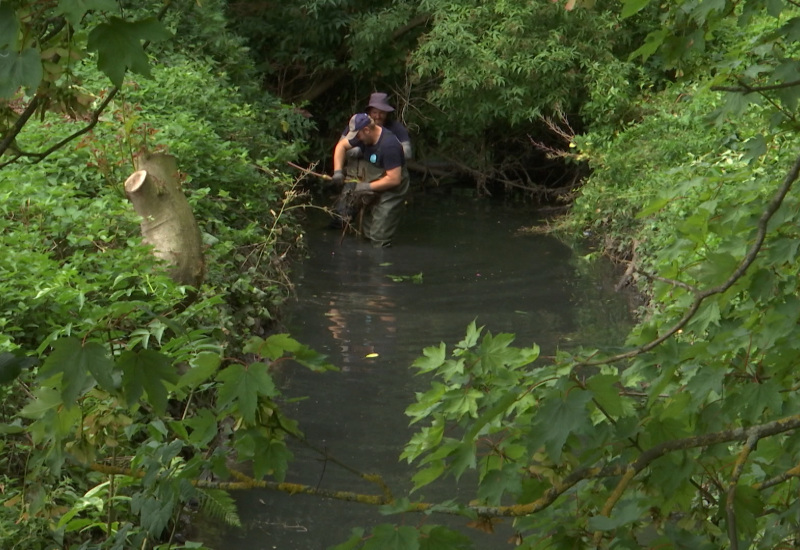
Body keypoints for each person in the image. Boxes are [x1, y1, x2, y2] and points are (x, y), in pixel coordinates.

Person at [330, 113, 410, 247]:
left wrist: (367, 187)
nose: (356, 139)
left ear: (366, 130)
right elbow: (341, 146)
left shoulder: (389, 146)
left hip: (392, 188)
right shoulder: (363, 136)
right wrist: (337, 171)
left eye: (357, 135)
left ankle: (381, 262)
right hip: (373, 180)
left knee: (379, 236)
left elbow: (394, 179)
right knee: (366, 232)